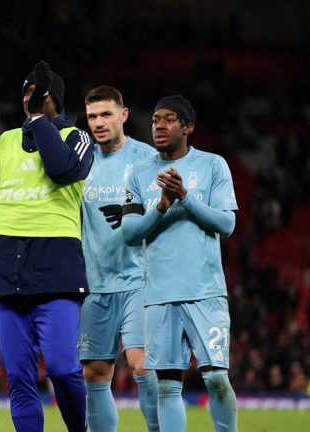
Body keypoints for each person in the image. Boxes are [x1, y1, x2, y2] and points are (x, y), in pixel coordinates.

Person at [0, 61, 94, 432]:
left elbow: (61, 168)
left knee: (63, 369)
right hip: (8, 271)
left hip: (57, 271)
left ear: (56, 99)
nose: (28, 97)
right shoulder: (5, 141)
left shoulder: (77, 137)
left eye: (38, 92)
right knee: (19, 377)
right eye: (26, 92)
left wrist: (38, 119)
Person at [121, 95, 238, 431]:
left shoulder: (213, 165)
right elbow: (130, 233)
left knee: (216, 378)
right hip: (159, 295)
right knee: (168, 386)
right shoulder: (139, 175)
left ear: (188, 127)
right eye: (155, 119)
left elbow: (227, 224)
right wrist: (161, 206)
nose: (159, 125)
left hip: (205, 292)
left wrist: (185, 198)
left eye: (169, 119)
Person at [77, 86, 159, 432]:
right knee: (94, 373)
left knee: (142, 364)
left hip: (140, 279)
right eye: (92, 116)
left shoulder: (147, 159)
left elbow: (163, 212)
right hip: (96, 284)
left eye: (106, 114)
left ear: (123, 115)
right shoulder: (80, 161)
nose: (99, 122)